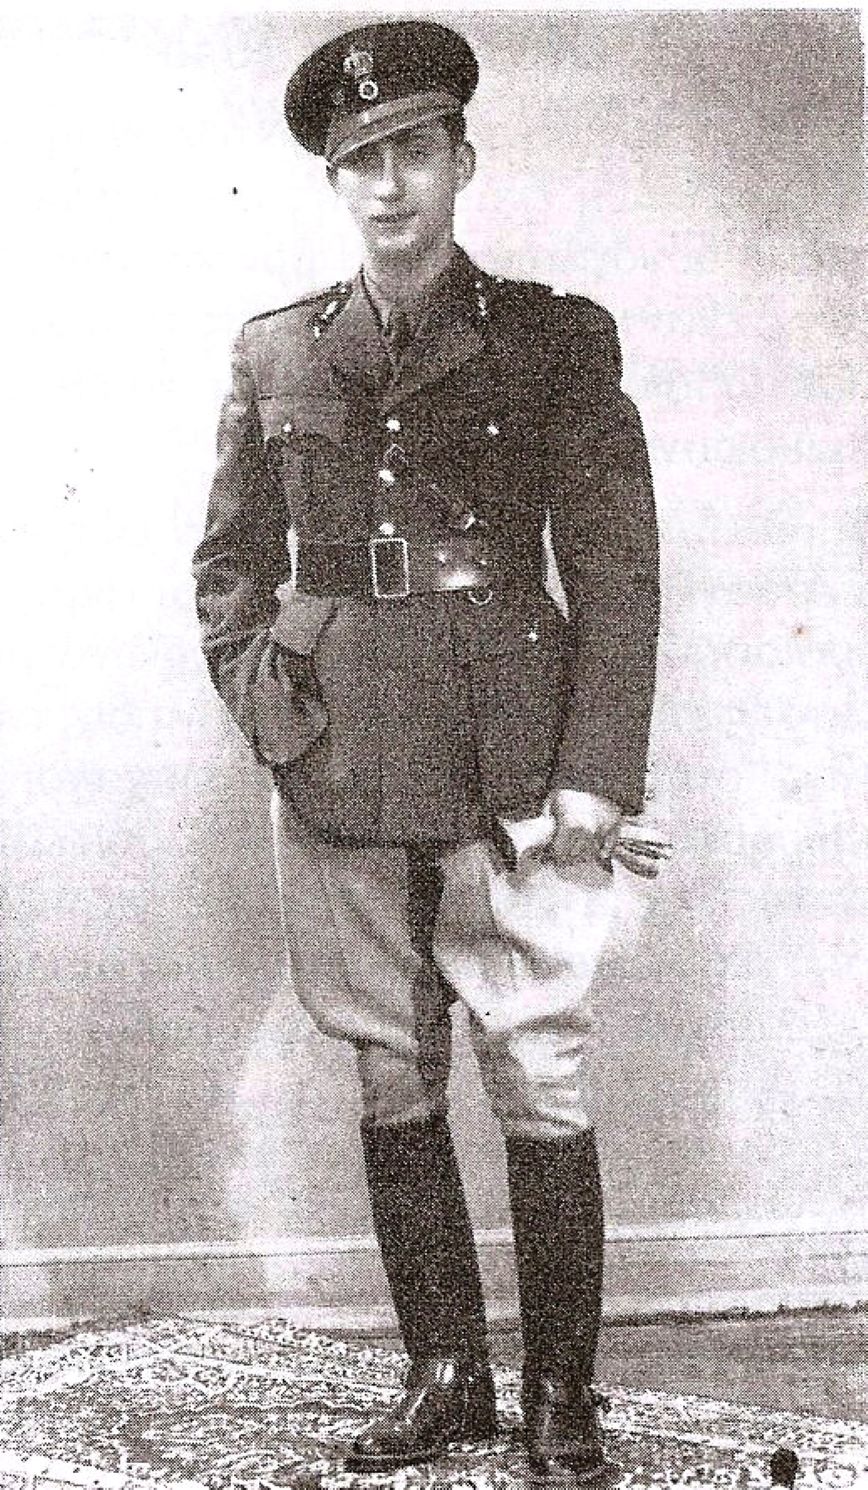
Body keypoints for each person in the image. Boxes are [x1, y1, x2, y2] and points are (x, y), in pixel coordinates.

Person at [193, 19, 662, 1483]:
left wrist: (599, 768)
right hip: (337, 762)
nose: (388, 186)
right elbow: (228, 565)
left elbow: (617, 569)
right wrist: (273, 712)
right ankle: (446, 1377)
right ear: (334, 182)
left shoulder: (553, 339)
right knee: (391, 1073)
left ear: (463, 160)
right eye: (361, 162)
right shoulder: (276, 348)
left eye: (413, 152)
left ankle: (560, 1398)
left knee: (540, 1070)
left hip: (511, 757)